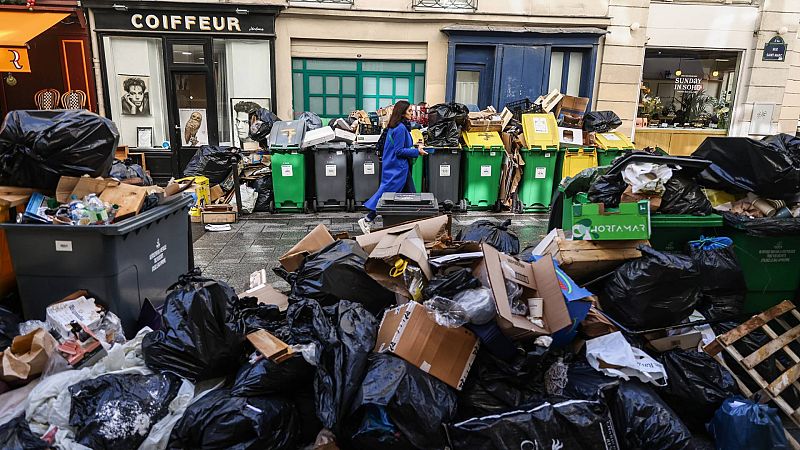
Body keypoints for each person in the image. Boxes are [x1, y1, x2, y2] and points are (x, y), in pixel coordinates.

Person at [359, 100, 427, 234]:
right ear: (402, 113)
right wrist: (416, 151)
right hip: (398, 168)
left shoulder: (394, 126)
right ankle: (367, 219)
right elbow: (399, 151)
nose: (411, 113)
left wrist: (414, 148)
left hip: (396, 167)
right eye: (409, 111)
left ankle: (410, 226)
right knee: (386, 196)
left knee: (409, 197)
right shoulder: (401, 128)